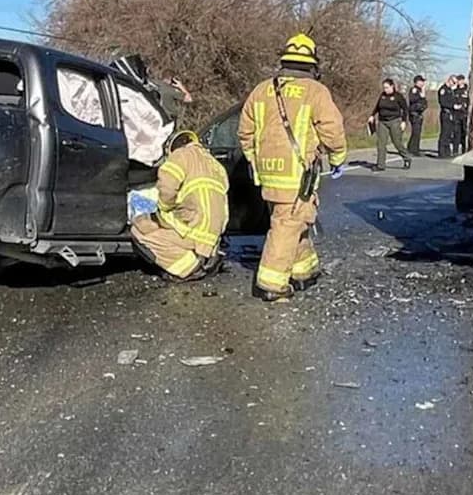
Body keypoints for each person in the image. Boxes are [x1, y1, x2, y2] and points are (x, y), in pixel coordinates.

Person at [238, 33, 348, 301]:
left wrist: (255, 161)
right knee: (287, 225)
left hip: (268, 174)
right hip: (297, 175)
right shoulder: (315, 91)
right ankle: (272, 284)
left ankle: (304, 272)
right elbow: (332, 129)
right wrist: (337, 157)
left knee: (293, 221)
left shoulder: (261, 90)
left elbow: (245, 131)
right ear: (312, 65)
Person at [130, 130, 228, 281]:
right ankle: (208, 257)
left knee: (139, 230)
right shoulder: (216, 165)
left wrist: (163, 208)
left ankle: (190, 268)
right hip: (213, 232)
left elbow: (167, 186)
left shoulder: (181, 155)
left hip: (193, 226)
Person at [368, 78, 411, 171]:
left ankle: (406, 157)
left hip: (394, 121)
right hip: (382, 121)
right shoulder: (382, 96)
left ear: (392, 86)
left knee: (397, 142)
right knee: (381, 143)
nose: (385, 89)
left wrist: (404, 121)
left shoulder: (398, 96)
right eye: (384, 88)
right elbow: (377, 107)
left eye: (387, 87)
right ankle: (380, 165)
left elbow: (405, 109)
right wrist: (372, 115)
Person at [406, 75, 427, 155]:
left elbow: (424, 102)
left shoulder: (420, 90)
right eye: (421, 81)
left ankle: (413, 148)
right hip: (414, 113)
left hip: (419, 113)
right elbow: (412, 99)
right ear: (417, 82)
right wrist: (421, 96)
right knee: (416, 132)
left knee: (417, 132)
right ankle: (413, 149)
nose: (423, 83)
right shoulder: (414, 90)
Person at [437, 74, 457, 158]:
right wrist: (453, 106)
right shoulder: (443, 89)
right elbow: (443, 102)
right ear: (449, 80)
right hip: (445, 113)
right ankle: (441, 152)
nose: (454, 84)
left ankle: (447, 152)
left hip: (451, 114)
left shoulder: (450, 90)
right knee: (444, 133)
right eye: (453, 82)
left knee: (449, 133)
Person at [453, 74, 470, 155]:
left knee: (464, 133)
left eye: (461, 80)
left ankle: (464, 150)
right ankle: (455, 150)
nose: (459, 82)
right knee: (456, 133)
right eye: (458, 80)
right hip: (456, 115)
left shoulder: (467, 90)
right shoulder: (455, 91)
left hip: (464, 114)